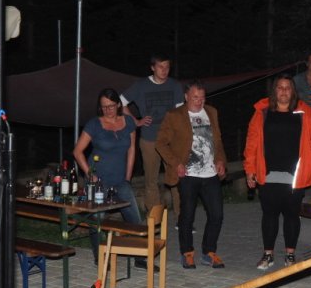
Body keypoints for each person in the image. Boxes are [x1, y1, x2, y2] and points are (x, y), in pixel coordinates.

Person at [244, 74, 311, 269]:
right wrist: (250, 169)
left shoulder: (305, 112)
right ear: (274, 91)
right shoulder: (262, 112)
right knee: (269, 215)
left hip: (295, 175)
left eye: (287, 88)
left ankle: (290, 255)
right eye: (280, 87)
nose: (284, 91)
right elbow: (252, 142)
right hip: (268, 174)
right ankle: (268, 255)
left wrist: (310, 162)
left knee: (291, 215)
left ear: (293, 91)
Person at [156, 80, 228, 270]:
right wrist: (176, 163)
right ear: (186, 97)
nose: (199, 101)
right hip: (188, 173)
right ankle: (187, 252)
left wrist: (220, 160)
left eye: (202, 98)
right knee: (187, 215)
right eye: (195, 97)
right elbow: (161, 143)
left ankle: (209, 252)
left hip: (210, 173)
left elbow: (218, 142)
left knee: (217, 214)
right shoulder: (174, 115)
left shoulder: (211, 112)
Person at [73, 88, 145, 267]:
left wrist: (128, 177)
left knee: (135, 219)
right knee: (97, 220)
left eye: (111, 106)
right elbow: (77, 151)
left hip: (120, 180)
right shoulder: (94, 124)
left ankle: (140, 258)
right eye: (104, 106)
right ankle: (100, 257)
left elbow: (131, 149)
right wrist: (90, 174)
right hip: (99, 181)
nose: (108, 110)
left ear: (118, 104)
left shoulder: (129, 121)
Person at [120, 53, 184, 218]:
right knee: (151, 180)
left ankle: (182, 218)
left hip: (170, 140)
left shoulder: (175, 86)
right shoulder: (141, 85)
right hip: (149, 139)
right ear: (153, 68)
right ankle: (155, 220)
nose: (164, 70)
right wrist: (135, 121)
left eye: (167, 66)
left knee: (177, 177)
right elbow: (121, 102)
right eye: (161, 66)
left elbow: (180, 112)